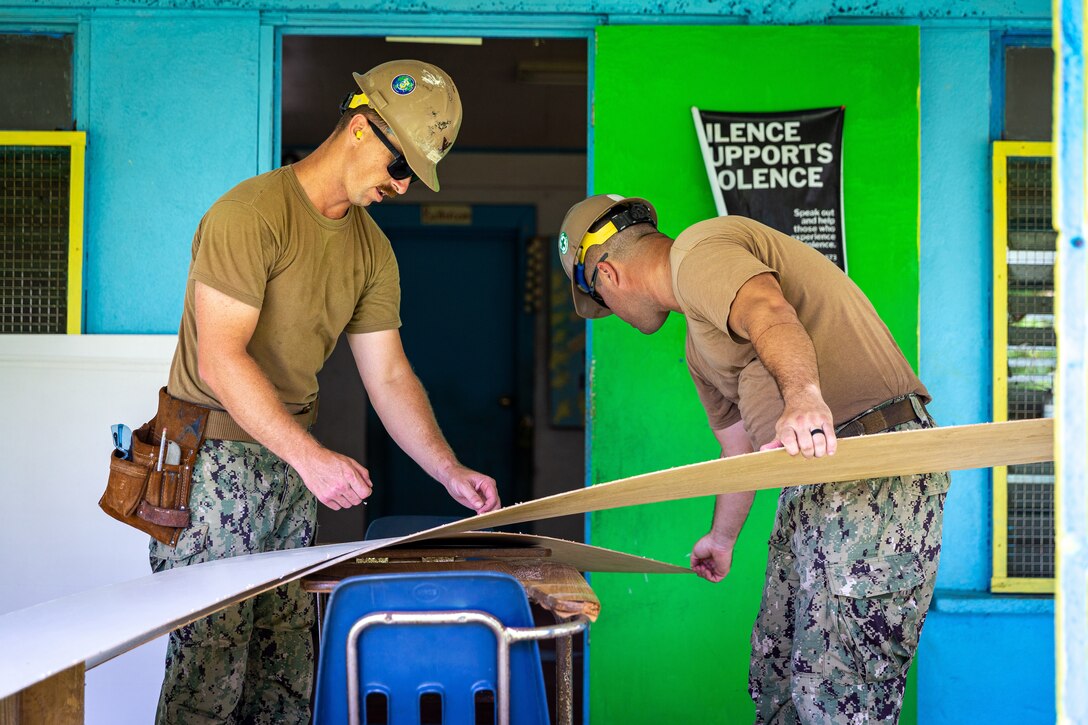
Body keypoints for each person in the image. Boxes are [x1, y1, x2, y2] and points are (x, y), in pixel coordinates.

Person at [151, 60, 501, 724]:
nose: (401, 186)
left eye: (413, 177)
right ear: (364, 126)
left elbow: (391, 375)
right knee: (209, 675)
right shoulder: (249, 213)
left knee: (285, 675)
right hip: (211, 463)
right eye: (401, 168)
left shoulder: (373, 252)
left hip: (286, 468)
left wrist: (447, 469)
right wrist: (311, 457)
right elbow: (222, 359)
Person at [557, 194, 948, 723]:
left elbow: (768, 310)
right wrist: (721, 538)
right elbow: (736, 449)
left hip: (869, 463)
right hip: (810, 479)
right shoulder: (699, 346)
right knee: (778, 674)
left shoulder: (699, 249)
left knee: (839, 693)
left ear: (608, 273)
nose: (610, 315)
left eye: (598, 300)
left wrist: (805, 396)